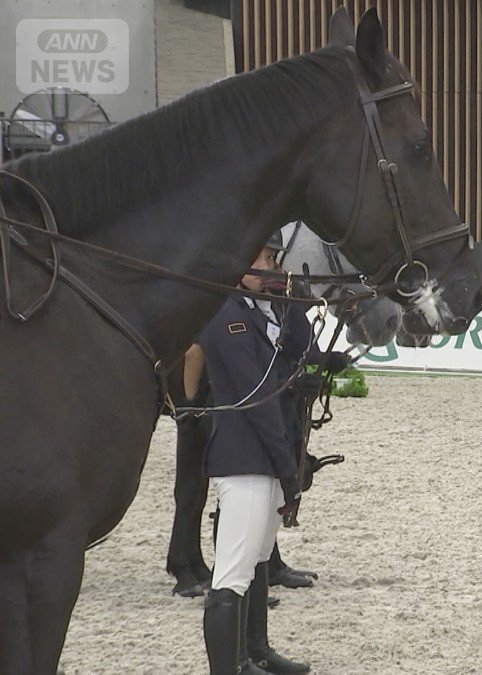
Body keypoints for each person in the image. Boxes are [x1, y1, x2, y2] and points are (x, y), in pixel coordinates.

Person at [197, 243, 312, 674]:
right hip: (245, 456)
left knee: (259, 557)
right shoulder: (227, 316)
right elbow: (257, 398)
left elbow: (301, 350)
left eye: (272, 259)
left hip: (267, 453)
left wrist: (292, 301)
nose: (269, 267)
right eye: (261, 259)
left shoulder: (260, 310)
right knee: (231, 574)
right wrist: (288, 470)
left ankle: (255, 653)